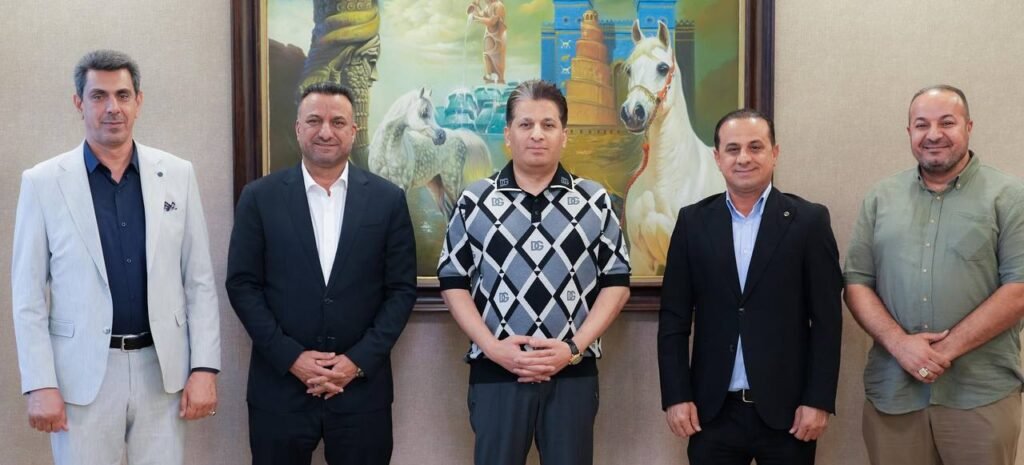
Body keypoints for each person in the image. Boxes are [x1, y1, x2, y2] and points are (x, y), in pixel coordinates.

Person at [11, 49, 221, 465]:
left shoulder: (178, 175)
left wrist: (204, 368)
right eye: (99, 96)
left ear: (138, 101)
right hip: (81, 377)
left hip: (162, 371)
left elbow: (199, 282)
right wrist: (40, 383)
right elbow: (28, 296)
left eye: (123, 95)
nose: (113, 108)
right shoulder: (43, 182)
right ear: (79, 103)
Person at [438, 79, 630, 465]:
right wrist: (493, 348)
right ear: (508, 134)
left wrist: (572, 348)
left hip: (572, 373)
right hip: (496, 371)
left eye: (548, 124)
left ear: (564, 135)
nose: (537, 134)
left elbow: (617, 282)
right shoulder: (475, 200)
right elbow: (453, 281)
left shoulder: (594, 200)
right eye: (525, 124)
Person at [226, 81, 417, 465]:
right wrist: (292, 357)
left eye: (337, 122)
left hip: (361, 392)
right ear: (298, 128)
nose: (325, 131)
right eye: (314, 121)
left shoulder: (388, 200)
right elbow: (243, 285)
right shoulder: (260, 197)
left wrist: (356, 361)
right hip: (280, 389)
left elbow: (400, 291)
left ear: (353, 131)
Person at [844, 85, 1024, 465]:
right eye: (922, 124)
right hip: (894, 395)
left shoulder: (1009, 196)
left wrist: (941, 352)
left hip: (980, 395)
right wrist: (900, 345)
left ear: (969, 127)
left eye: (947, 122)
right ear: (909, 131)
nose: (934, 134)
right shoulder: (880, 198)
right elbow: (857, 282)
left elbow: (1019, 288)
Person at [658, 109, 843, 465]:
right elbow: (673, 319)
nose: (743, 158)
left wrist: (818, 400)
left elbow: (827, 322)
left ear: (775, 153)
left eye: (755, 147)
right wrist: (676, 395)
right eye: (733, 149)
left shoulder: (809, 221)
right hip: (712, 413)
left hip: (789, 414)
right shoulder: (693, 222)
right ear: (717, 158)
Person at [467, 0, 507, 84]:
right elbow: (481, 15)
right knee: (486, 55)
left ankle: (500, 80)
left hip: (498, 36)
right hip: (489, 34)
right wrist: (475, 6)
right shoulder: (488, 6)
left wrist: (476, 18)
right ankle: (489, 77)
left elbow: (492, 22)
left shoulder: (498, 5)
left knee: (498, 60)